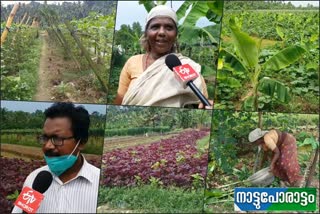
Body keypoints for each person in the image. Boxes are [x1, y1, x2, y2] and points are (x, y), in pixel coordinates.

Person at [114, 5, 213, 109]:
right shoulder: (132, 62)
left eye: (169, 27)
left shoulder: (187, 66)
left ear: (175, 34)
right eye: (155, 27)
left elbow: (202, 104)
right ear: (146, 33)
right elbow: (120, 100)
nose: (161, 32)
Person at [12, 103, 100, 213]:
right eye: (45, 138)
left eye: (57, 139)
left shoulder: (99, 182)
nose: (48, 146)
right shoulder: (35, 179)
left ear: (81, 142)